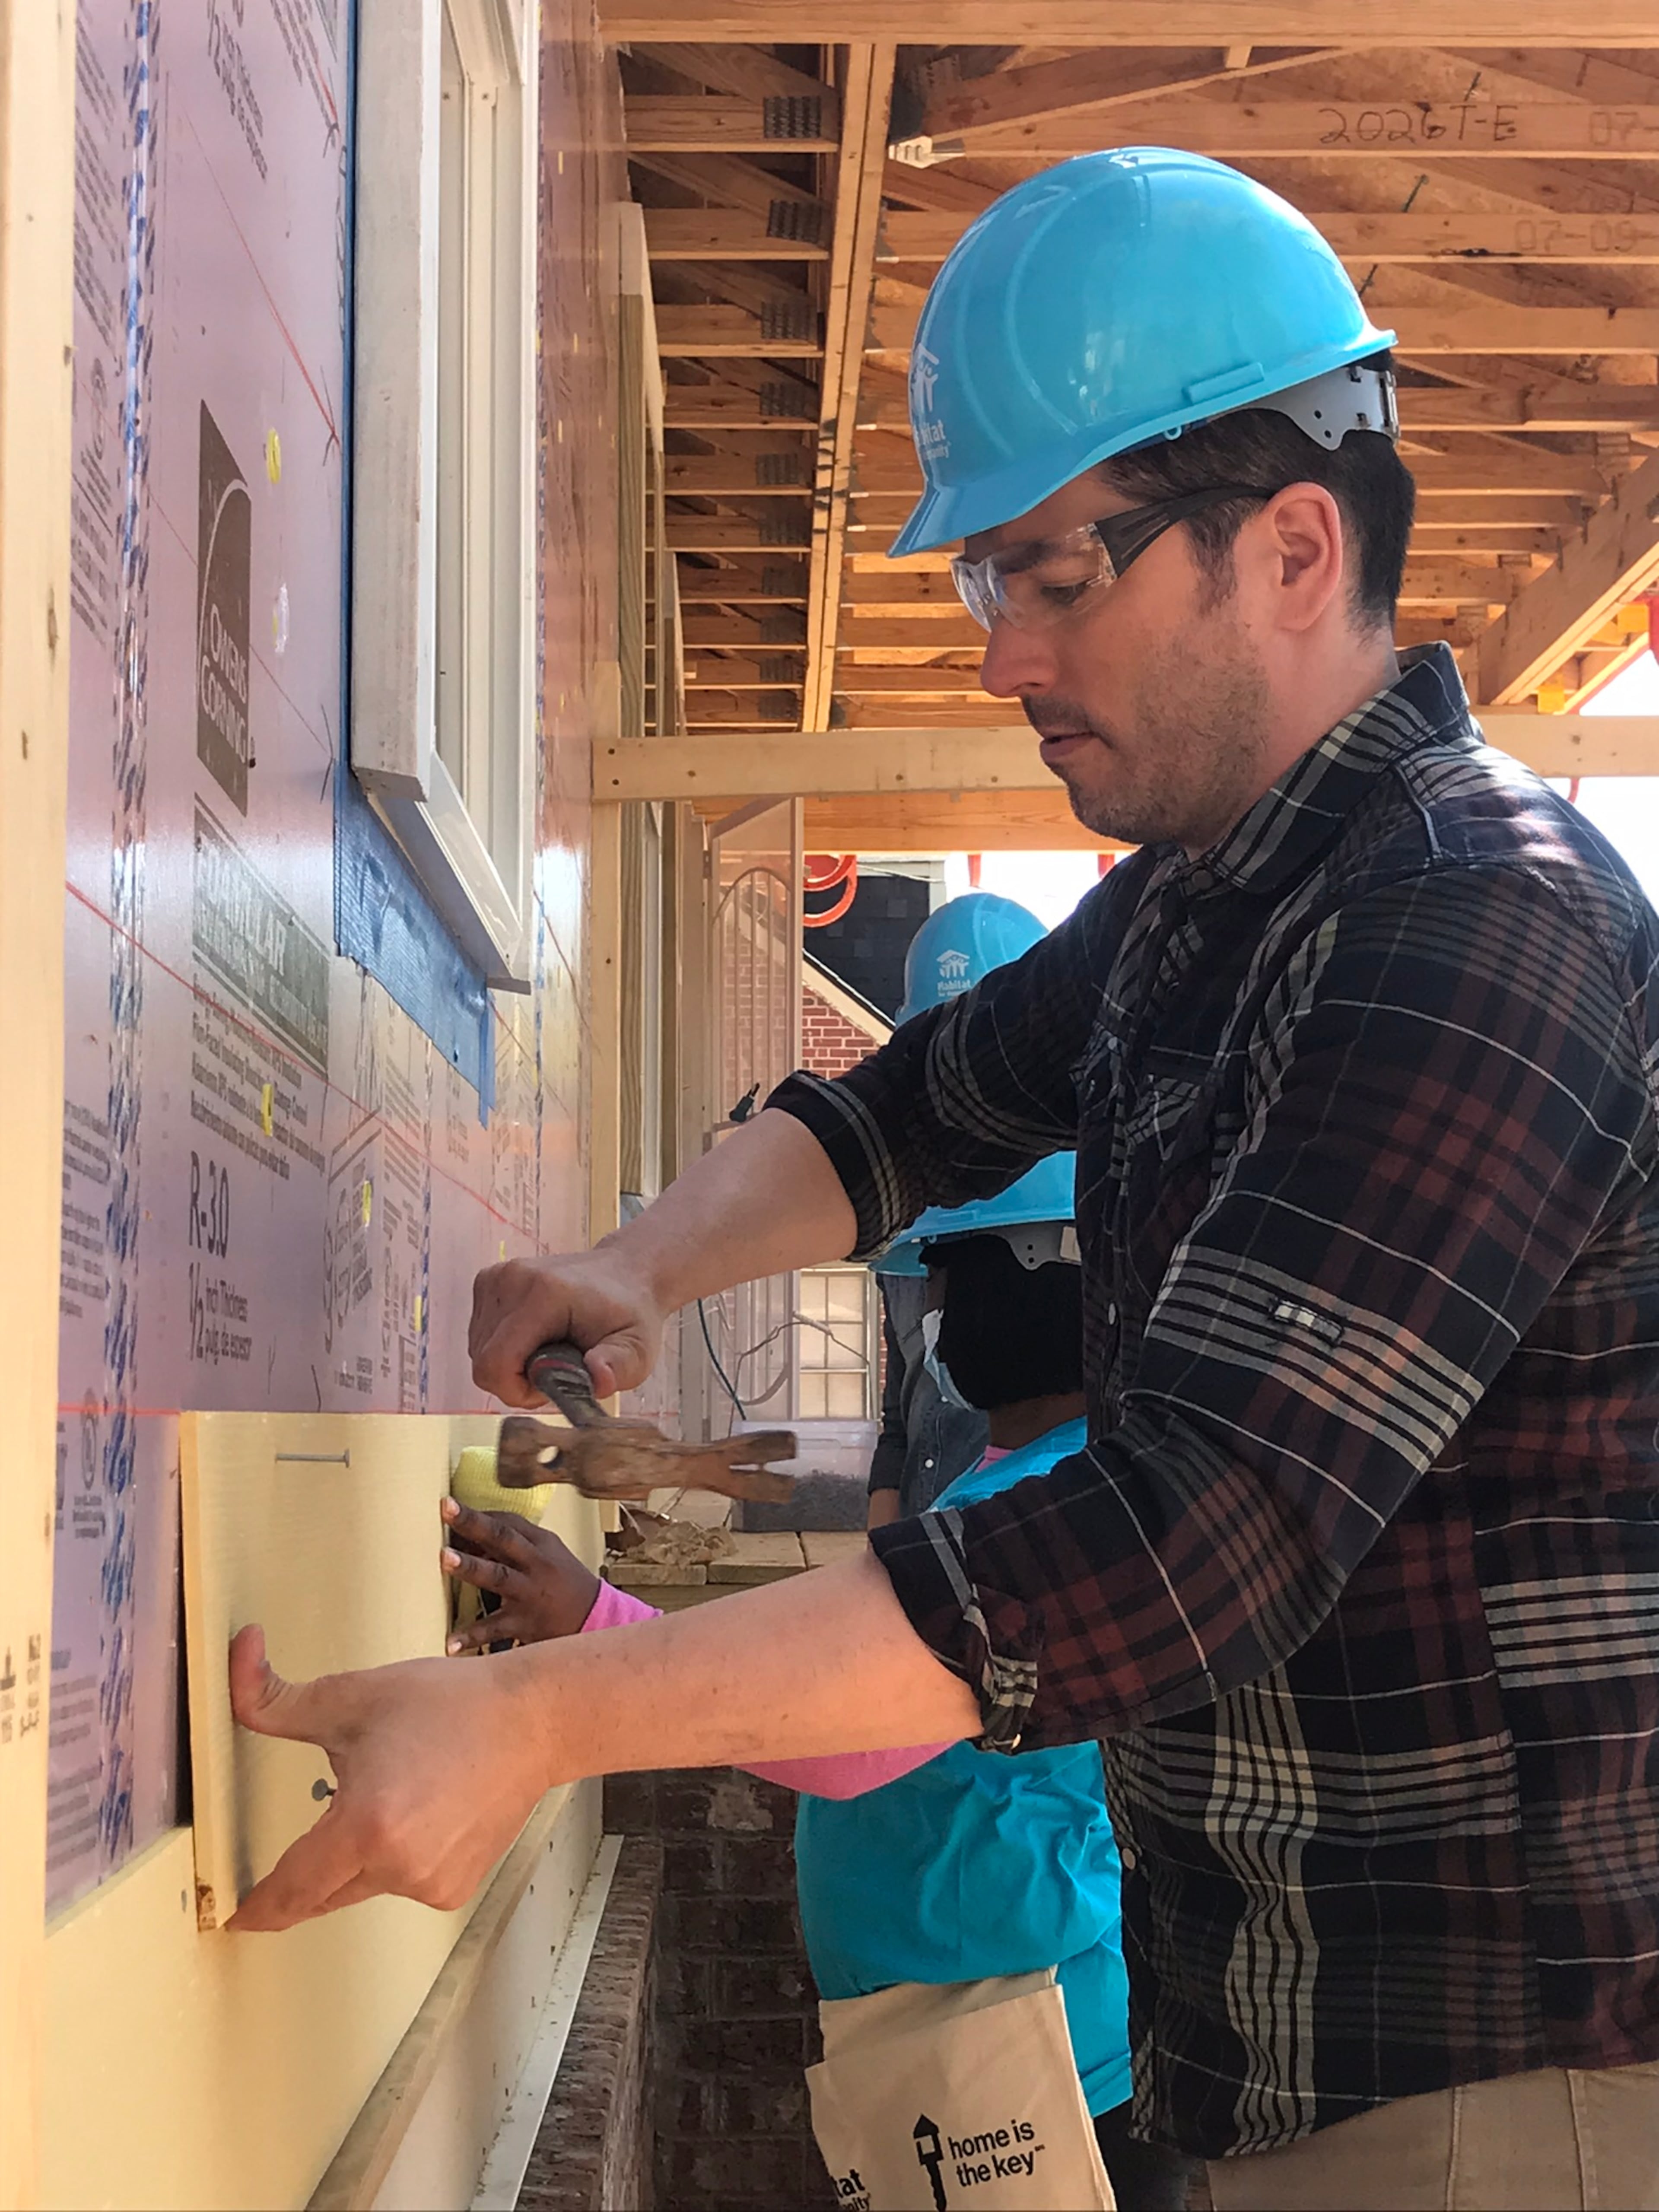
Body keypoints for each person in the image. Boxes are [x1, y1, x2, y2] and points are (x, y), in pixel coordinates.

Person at [229, 149, 1659, 2211]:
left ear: (1286, 543)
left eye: (1052, 576)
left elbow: (1192, 1534)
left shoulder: (1476, 924)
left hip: (1512, 2090)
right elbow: (917, 1108)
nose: (1003, 656)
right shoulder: (1200, 906)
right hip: (1277, 2068)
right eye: (986, 585)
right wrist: (636, 1263)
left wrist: (547, 1713)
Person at [441, 1212, 1194, 2212]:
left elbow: (849, 1733)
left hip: (1040, 2052)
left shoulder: (1051, 1501)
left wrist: (598, 1624)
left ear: (1051, 1279)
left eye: (952, 1286)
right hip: (971, 2029)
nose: (933, 1324)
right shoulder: (1020, 1475)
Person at [867, 898, 1053, 1528]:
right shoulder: (912, 1228)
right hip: (929, 1530)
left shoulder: (1084, 1228)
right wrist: (884, 1530)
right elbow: (903, 1403)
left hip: (1005, 1536)